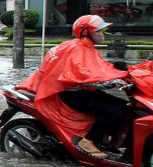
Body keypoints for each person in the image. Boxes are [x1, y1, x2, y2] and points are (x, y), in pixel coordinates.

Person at [17, 14, 129, 159]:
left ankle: (107, 141)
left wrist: (121, 72)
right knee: (113, 111)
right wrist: (109, 83)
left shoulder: (89, 48)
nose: (102, 34)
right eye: (98, 31)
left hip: (85, 91)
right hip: (71, 93)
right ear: (86, 32)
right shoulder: (76, 49)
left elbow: (99, 70)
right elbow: (81, 76)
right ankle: (87, 142)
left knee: (125, 106)